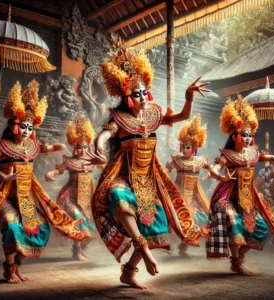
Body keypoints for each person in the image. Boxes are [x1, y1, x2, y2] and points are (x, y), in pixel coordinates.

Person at [87, 45, 210, 289]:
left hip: (149, 180)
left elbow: (182, 117)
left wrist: (189, 95)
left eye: (145, 92)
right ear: (126, 97)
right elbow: (103, 135)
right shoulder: (119, 119)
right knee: (118, 196)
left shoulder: (154, 115)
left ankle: (129, 271)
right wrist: (100, 145)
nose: (143, 97)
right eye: (137, 94)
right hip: (123, 175)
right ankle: (143, 250)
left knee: (156, 227)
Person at [0, 81, 85, 284]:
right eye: (23, 126)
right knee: (12, 226)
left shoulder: (33, 146)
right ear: (14, 126)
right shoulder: (2, 145)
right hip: (6, 196)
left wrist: (67, 150)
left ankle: (16, 266)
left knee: (41, 228)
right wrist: (2, 175)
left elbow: (55, 146)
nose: (26, 131)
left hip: (26, 198)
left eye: (30, 127)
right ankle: (9, 270)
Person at [204, 96, 274, 275]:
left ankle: (237, 258)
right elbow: (214, 168)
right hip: (228, 199)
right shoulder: (227, 155)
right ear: (235, 136)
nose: (248, 138)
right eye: (244, 134)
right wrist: (219, 176)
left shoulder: (252, 153)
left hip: (247, 202)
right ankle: (236, 262)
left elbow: (264, 157)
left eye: (250, 135)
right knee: (234, 225)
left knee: (261, 229)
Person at [46, 114, 105, 260]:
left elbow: (105, 166)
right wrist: (50, 173)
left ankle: (80, 249)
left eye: (85, 147)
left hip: (88, 200)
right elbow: (58, 170)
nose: (83, 150)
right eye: (79, 147)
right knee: (79, 224)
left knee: (93, 232)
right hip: (70, 199)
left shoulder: (92, 160)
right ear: (74, 147)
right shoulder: (69, 161)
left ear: (89, 146)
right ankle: (77, 252)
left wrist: (101, 158)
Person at [166, 114, 210, 257]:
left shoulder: (200, 161)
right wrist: (165, 171)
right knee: (177, 217)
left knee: (194, 218)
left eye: (188, 147)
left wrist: (212, 173)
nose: (185, 149)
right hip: (178, 193)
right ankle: (170, 244)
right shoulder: (177, 160)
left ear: (194, 148)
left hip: (194, 194)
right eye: (183, 146)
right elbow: (167, 170)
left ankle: (183, 248)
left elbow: (210, 168)